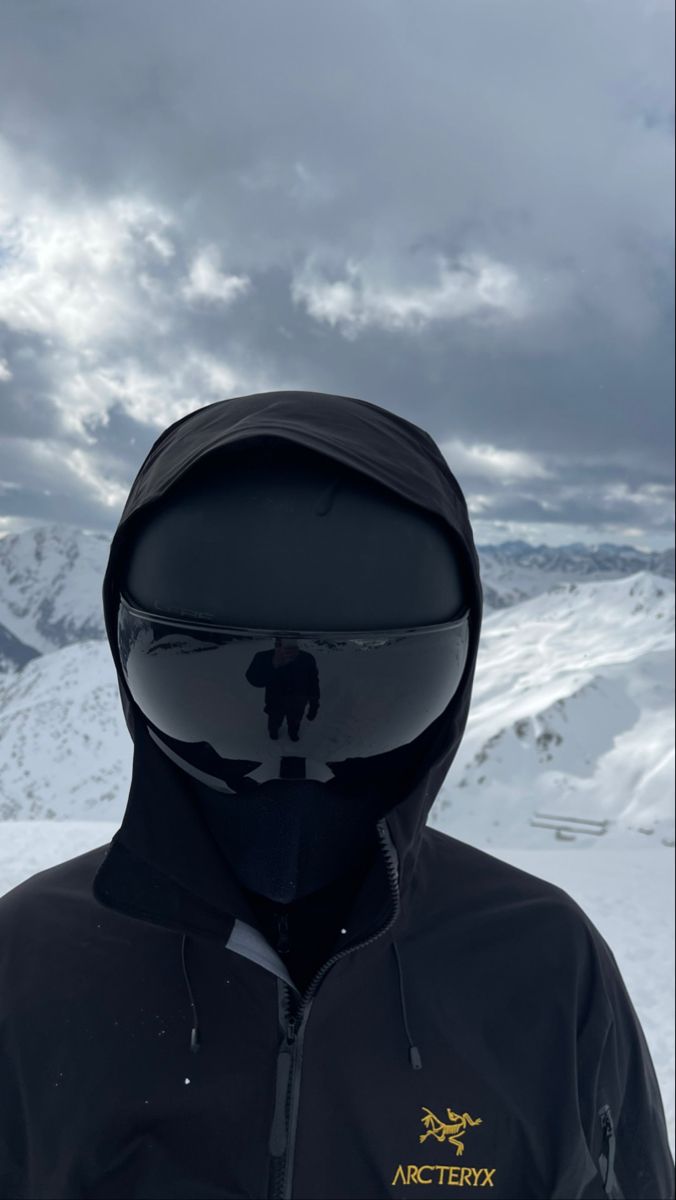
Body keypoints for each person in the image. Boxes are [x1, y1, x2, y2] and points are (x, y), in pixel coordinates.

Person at [0, 389, 672, 1200]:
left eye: (382, 693)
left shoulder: (545, 969)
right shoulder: (27, 967)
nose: (296, 766)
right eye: (203, 688)